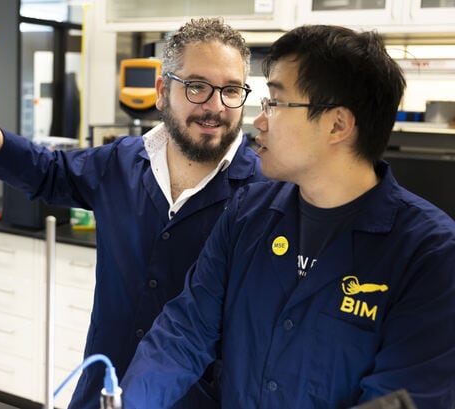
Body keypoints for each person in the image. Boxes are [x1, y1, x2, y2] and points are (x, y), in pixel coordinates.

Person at [0, 17, 265, 409]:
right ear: (161, 91)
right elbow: (52, 173)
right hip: (104, 384)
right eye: (197, 87)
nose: (215, 106)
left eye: (232, 90)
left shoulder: (265, 193)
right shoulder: (122, 162)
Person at [119, 24, 455, 409]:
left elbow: (402, 398)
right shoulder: (247, 215)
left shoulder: (430, 257)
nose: (258, 122)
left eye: (275, 104)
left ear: (337, 124)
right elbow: (183, 334)